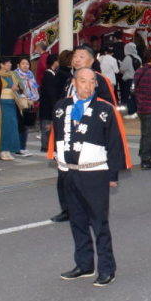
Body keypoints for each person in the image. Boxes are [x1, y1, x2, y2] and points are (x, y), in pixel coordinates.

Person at [49, 67, 130, 286]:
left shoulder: (105, 109)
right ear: (74, 83)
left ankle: (106, 268)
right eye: (83, 81)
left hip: (94, 172)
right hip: (68, 171)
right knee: (77, 220)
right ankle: (84, 264)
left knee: (99, 222)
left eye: (92, 82)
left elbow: (115, 143)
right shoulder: (61, 107)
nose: (88, 86)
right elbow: (56, 136)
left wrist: (113, 174)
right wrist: (58, 160)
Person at [52, 45, 117, 222]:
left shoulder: (99, 80)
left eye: (81, 56)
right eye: (75, 56)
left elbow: (110, 106)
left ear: (91, 60)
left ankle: (87, 209)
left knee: (86, 175)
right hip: (68, 130)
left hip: (90, 134)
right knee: (64, 173)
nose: (77, 59)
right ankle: (67, 209)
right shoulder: (70, 80)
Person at [0, 56, 22, 161]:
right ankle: (3, 150)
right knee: (3, 129)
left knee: (12, 129)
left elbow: (21, 88)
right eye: (8, 63)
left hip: (12, 104)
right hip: (2, 105)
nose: (10, 64)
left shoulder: (12, 75)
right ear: (2, 65)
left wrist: (17, 88)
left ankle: (8, 150)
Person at [14, 55, 40, 155]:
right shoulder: (15, 75)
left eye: (27, 64)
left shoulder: (30, 75)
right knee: (20, 126)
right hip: (19, 103)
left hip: (29, 103)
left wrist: (33, 99)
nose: (25, 66)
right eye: (23, 64)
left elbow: (34, 88)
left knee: (26, 126)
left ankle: (23, 147)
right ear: (18, 65)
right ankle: (19, 147)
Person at [37, 53, 60, 151]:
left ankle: (47, 144)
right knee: (46, 127)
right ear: (54, 61)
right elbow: (50, 92)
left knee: (49, 126)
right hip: (47, 105)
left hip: (49, 104)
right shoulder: (48, 74)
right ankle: (45, 145)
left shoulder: (52, 73)